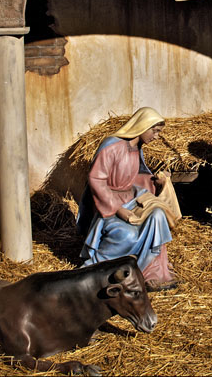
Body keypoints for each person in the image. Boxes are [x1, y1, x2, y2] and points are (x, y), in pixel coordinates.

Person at [77, 107, 180, 291]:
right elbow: (96, 180)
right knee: (128, 235)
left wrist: (155, 181)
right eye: (154, 131)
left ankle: (149, 272)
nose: (156, 136)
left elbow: (133, 180)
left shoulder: (135, 149)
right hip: (109, 205)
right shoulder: (111, 146)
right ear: (142, 126)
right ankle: (93, 271)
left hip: (131, 200)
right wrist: (118, 209)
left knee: (158, 216)